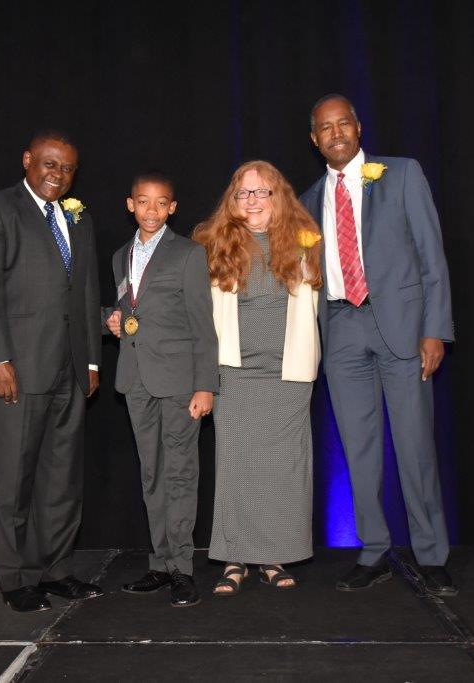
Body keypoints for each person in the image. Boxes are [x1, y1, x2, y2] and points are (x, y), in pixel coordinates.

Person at [299, 94, 456, 596]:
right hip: (342, 329)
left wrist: (435, 329)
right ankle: (372, 551)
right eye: (326, 128)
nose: (336, 133)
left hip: (403, 328)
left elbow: (432, 258)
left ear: (359, 127)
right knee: (358, 449)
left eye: (343, 123)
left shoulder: (402, 174)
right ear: (315, 139)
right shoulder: (307, 201)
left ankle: (431, 555)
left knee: (415, 445)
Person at [0, 131, 102, 613]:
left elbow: (86, 291)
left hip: (70, 369)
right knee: (12, 479)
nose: (57, 174)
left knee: (61, 478)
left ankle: (56, 569)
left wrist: (90, 360)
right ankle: (15, 576)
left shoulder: (78, 218)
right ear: (27, 160)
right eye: (49, 164)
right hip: (16, 370)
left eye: (66, 168)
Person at [194, 160, 323, 596]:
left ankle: (273, 556)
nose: (252, 201)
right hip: (234, 373)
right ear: (232, 200)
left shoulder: (305, 243)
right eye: (243, 193)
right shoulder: (213, 244)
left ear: (277, 197)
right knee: (236, 466)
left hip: (288, 374)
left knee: (282, 470)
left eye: (261, 192)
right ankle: (234, 557)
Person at [103, 171, 218, 607]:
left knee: (180, 473)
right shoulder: (121, 256)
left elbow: (203, 325)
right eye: (143, 201)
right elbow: (128, 308)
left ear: (172, 208)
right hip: (135, 379)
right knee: (151, 473)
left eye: (160, 203)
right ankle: (160, 562)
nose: (151, 210)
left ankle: (182, 568)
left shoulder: (188, 253)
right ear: (130, 204)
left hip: (179, 381)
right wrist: (111, 319)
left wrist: (205, 385)